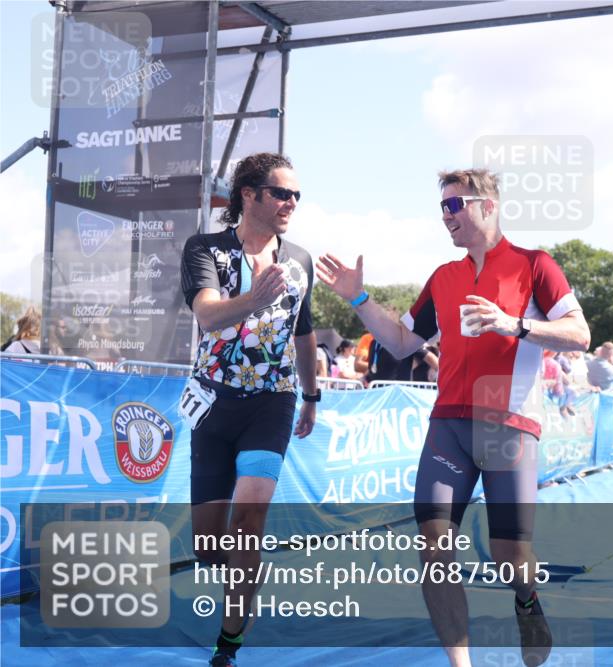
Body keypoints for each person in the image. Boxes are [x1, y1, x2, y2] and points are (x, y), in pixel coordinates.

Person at [316, 168, 590, 667]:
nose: (446, 216)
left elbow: (580, 334)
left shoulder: (536, 265)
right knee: (434, 545)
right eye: (441, 207)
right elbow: (400, 341)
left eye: (455, 205)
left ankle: (527, 600)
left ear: (488, 205)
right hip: (448, 428)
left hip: (509, 427)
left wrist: (516, 326)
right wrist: (358, 298)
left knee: (509, 557)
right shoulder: (444, 277)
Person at [179, 152, 318, 667]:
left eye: (297, 196)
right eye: (282, 193)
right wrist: (255, 299)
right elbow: (209, 315)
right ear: (249, 195)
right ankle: (237, 586)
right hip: (213, 402)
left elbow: (303, 334)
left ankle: (229, 641)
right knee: (212, 547)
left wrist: (312, 394)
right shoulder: (206, 249)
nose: (292, 204)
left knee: (251, 516)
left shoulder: (299, 259)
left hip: (272, 401)